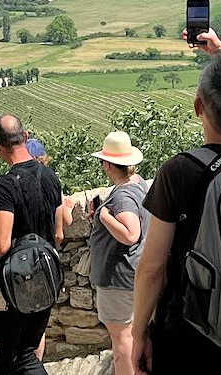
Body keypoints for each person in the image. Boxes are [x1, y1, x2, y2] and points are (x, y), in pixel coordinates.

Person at [131, 30, 221, 375]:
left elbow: (152, 267)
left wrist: (138, 331)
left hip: (186, 330)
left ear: (197, 107)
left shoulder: (179, 171)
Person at [0, 115, 66, 375]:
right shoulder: (51, 177)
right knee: (28, 353)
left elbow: (2, 243)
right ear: (25, 137)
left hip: (15, 283)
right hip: (47, 279)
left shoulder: (5, 185)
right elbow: (59, 234)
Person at [86, 131, 150, 375]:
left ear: (109, 164)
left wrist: (103, 215)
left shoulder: (122, 195)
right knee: (137, 333)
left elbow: (130, 233)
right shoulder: (138, 183)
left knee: (122, 340)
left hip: (117, 279)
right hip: (135, 273)